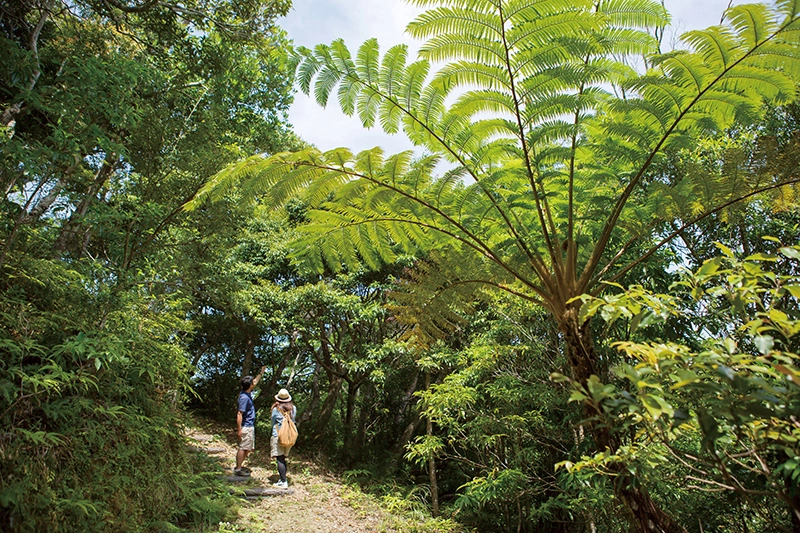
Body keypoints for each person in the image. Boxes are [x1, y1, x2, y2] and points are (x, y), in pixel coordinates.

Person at [234, 365, 266, 477]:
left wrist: (261, 373)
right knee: (244, 447)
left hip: (249, 425)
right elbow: (239, 414)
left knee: (247, 448)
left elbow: (256, 381)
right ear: (250, 385)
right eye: (252, 382)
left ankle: (239, 466)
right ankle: (238, 469)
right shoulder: (244, 398)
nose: (254, 383)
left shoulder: (247, 393)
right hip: (246, 426)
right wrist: (239, 430)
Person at [270, 388, 296, 488]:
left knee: (279, 458)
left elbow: (273, 422)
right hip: (290, 436)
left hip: (278, 435)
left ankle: (283, 481)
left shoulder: (276, 409)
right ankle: (283, 478)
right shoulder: (293, 408)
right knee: (284, 458)